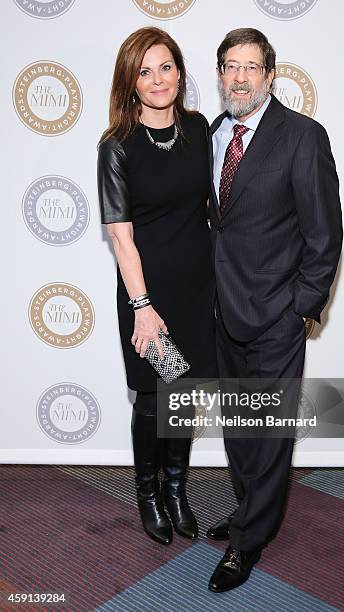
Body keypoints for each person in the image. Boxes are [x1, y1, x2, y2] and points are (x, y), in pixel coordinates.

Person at [206, 28, 343, 592]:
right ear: (220, 75)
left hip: (275, 318)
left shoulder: (302, 137)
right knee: (240, 427)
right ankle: (249, 516)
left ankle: (248, 543)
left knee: (268, 430)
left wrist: (301, 310)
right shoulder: (213, 134)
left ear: (270, 75)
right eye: (230, 67)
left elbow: (324, 235)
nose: (240, 77)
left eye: (251, 67)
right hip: (220, 313)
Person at [97, 27, 217, 546]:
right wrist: (142, 307)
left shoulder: (198, 131)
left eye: (165, 67)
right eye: (144, 71)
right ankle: (148, 494)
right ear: (131, 83)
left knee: (184, 395)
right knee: (153, 397)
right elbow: (122, 239)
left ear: (180, 73)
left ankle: (176, 490)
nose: (157, 79)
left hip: (196, 289)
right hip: (148, 295)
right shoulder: (116, 147)